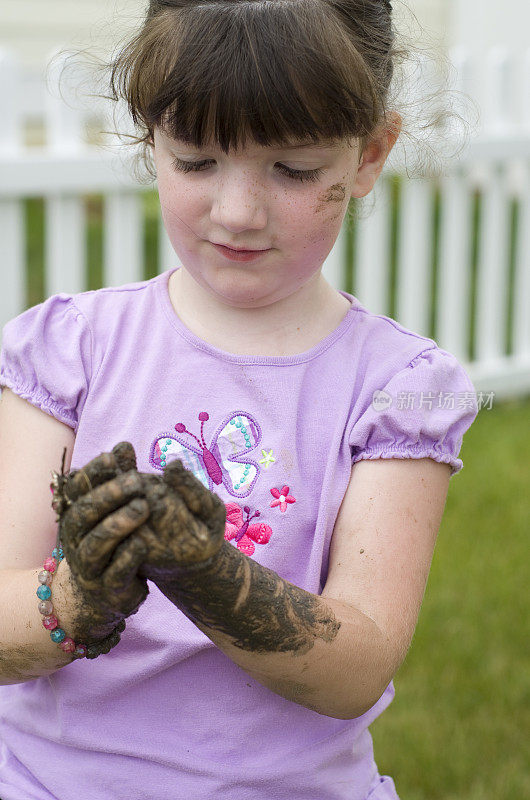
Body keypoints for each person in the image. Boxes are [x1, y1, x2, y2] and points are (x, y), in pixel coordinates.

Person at [0, 1, 479, 798]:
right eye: (195, 161)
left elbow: (355, 668)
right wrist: (84, 593)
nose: (237, 213)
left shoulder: (397, 388)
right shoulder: (71, 351)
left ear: (370, 155)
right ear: (149, 135)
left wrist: (206, 572)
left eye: (292, 171)